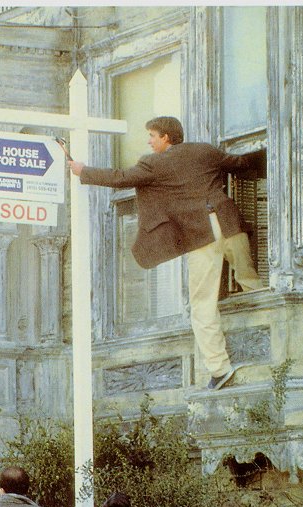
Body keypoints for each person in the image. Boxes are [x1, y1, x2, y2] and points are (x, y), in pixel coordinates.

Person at [68, 115, 265, 391]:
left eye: (152, 135)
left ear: (166, 138)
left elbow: (120, 177)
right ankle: (268, 351)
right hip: (230, 224)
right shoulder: (205, 151)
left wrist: (82, 170)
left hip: (201, 235)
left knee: (202, 304)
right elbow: (242, 163)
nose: (148, 141)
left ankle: (220, 369)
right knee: (252, 284)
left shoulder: (154, 163)